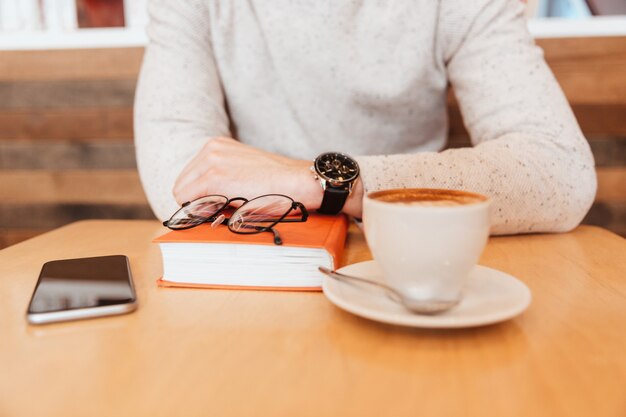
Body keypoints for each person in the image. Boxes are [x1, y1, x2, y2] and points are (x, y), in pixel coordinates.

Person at [134, 0, 597, 235]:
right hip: (265, 258)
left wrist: (324, 183)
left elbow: (561, 169)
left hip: (413, 256)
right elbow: (177, 173)